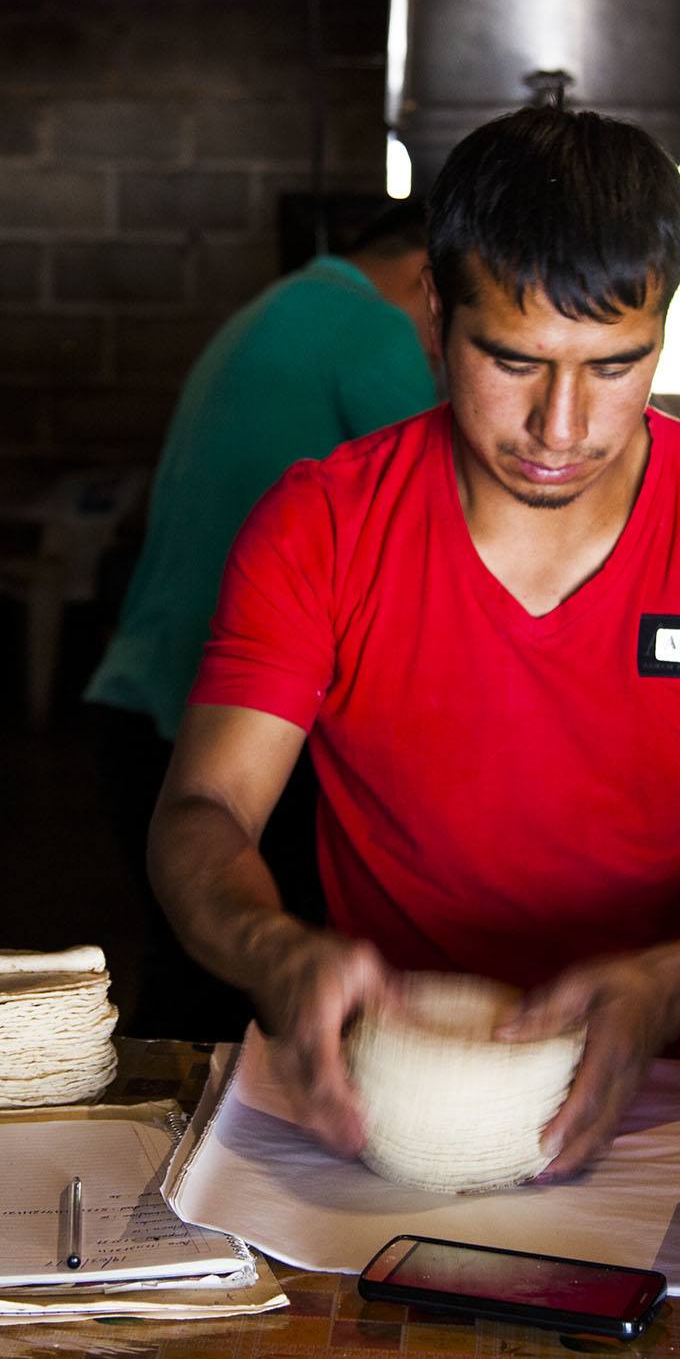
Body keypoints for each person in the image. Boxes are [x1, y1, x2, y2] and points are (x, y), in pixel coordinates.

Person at [147, 107, 680, 1181]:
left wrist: (672, 981)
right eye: (515, 360)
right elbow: (204, 810)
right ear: (434, 315)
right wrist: (275, 950)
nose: (563, 425)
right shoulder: (324, 524)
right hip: (392, 1107)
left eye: (616, 364)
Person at [88, 204, 441, 1038]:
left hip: (142, 695)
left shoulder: (276, 307)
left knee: (191, 991)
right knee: (253, 1012)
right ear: (432, 278)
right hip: (232, 720)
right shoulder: (372, 330)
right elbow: (446, 505)